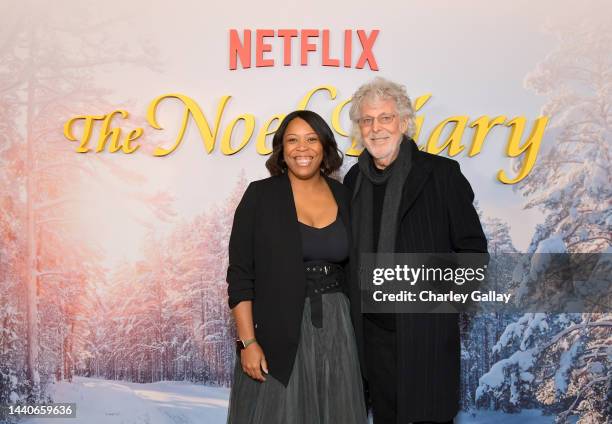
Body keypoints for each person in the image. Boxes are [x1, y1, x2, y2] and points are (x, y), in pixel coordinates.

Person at [343, 77, 488, 424]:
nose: (376, 128)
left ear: (404, 122)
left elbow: (473, 253)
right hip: (371, 336)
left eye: (385, 118)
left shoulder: (441, 174)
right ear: (359, 128)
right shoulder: (353, 181)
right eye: (367, 120)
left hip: (425, 333)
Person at [226, 110, 367, 424]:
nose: (302, 148)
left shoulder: (344, 196)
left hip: (337, 330)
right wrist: (248, 342)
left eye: (311, 139)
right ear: (282, 149)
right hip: (276, 332)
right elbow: (240, 276)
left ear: (325, 147)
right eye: (292, 140)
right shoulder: (259, 196)